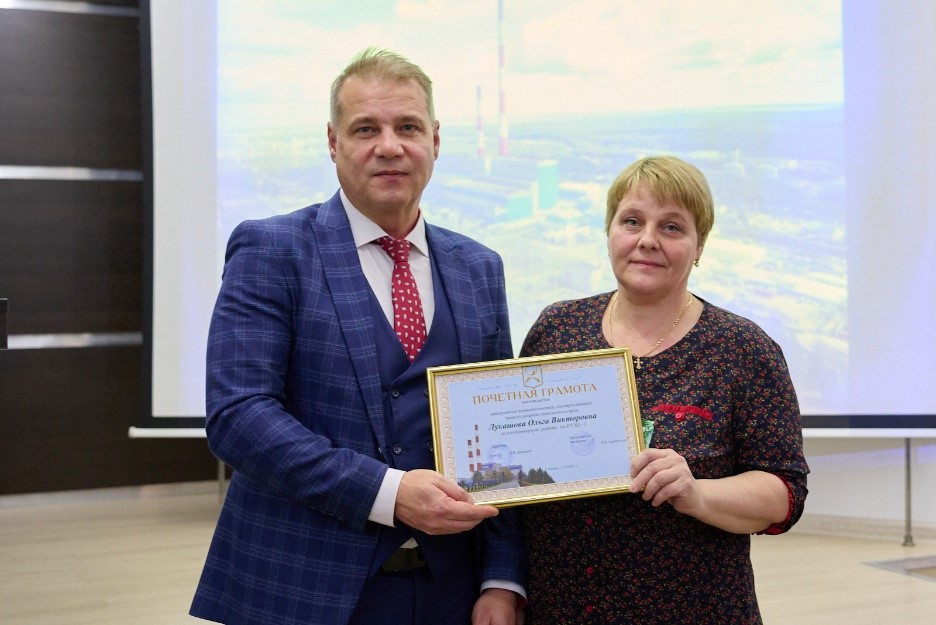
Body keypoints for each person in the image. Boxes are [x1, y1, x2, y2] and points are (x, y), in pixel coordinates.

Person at [190, 47, 526, 625]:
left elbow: (500, 437)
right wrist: (388, 493)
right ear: (333, 141)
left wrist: (502, 578)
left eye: (408, 127)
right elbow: (238, 416)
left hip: (454, 591)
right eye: (366, 128)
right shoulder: (272, 250)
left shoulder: (479, 267)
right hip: (304, 591)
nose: (389, 146)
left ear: (435, 140)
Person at [519, 156, 808, 625]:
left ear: (699, 246)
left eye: (672, 227)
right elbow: (518, 468)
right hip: (562, 607)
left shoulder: (744, 349)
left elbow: (784, 493)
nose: (648, 240)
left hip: (696, 611)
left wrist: (697, 493)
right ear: (610, 232)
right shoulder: (557, 330)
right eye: (632, 221)